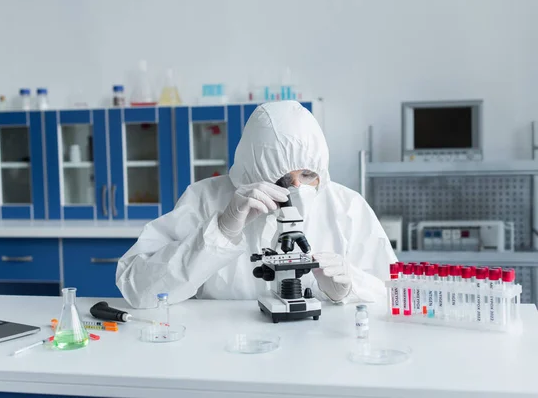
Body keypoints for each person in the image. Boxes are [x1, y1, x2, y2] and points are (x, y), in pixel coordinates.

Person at [116, 101, 397, 308]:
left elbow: (395, 296)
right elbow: (138, 290)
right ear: (253, 172)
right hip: (221, 353)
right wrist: (220, 233)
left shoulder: (347, 208)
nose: (297, 189)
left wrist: (350, 287)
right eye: (284, 179)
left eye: (308, 174)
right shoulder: (204, 199)